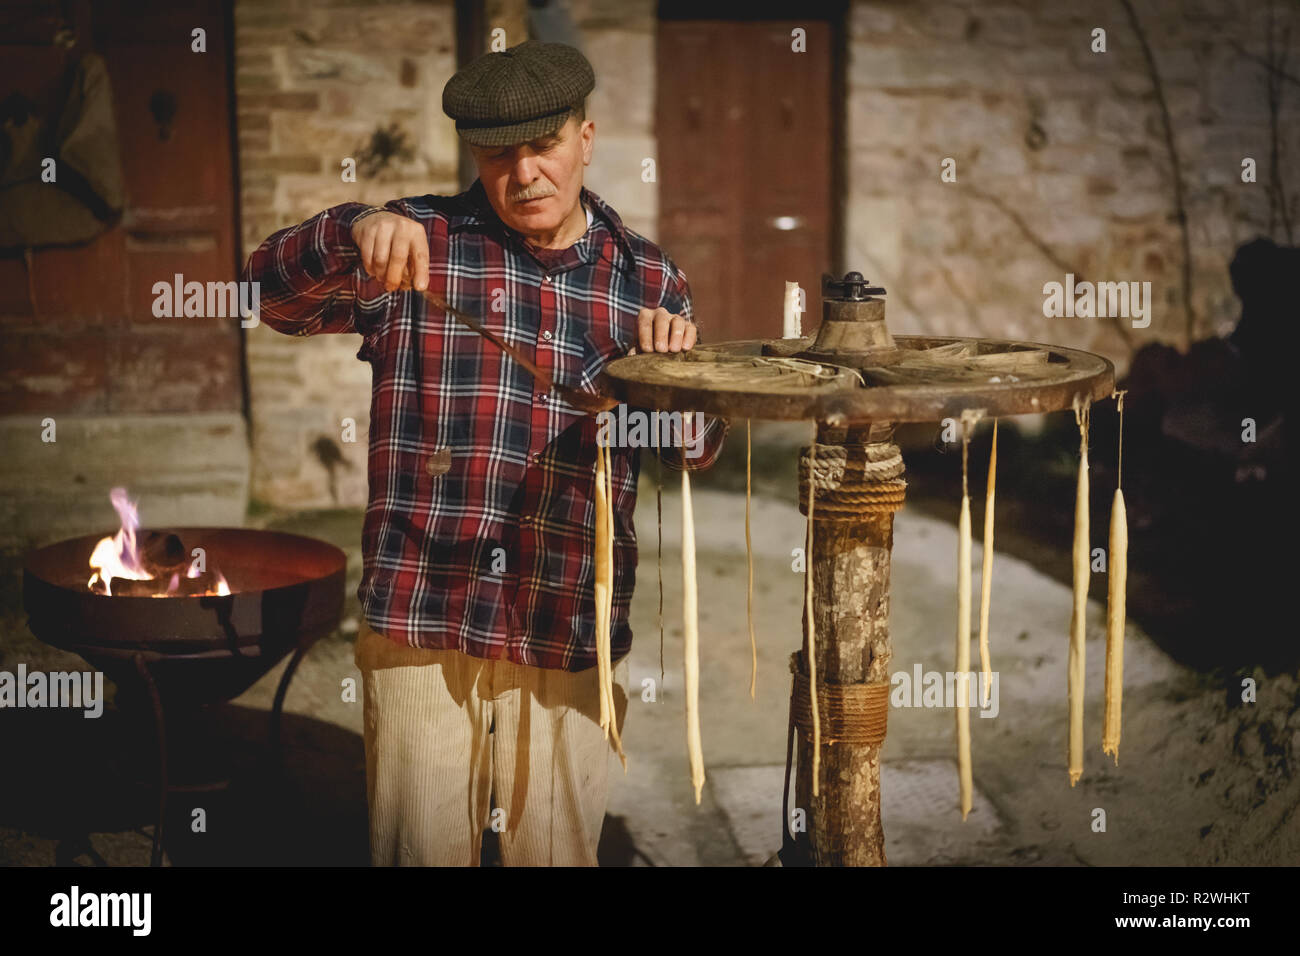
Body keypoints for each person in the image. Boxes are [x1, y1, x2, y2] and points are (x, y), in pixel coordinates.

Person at [241, 40, 728, 865]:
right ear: (474, 154)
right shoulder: (414, 243)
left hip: (566, 620)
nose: (525, 173)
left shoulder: (648, 280)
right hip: (424, 617)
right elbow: (263, 296)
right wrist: (352, 227)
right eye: (500, 155)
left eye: (544, 147)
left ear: (586, 136)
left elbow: (699, 450)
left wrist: (679, 386)